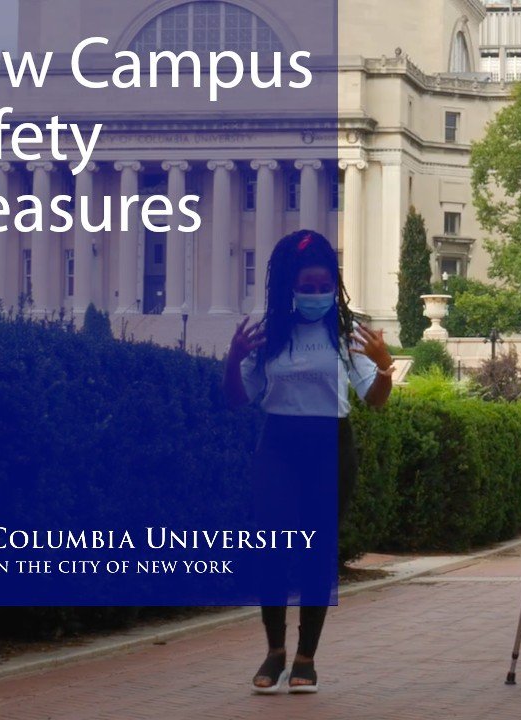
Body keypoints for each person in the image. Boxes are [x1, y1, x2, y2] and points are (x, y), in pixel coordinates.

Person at [223, 230, 394, 695]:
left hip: (329, 446)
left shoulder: (344, 334)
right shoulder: (270, 332)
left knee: (318, 553)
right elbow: (238, 397)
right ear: (290, 288)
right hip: (278, 444)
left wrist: (384, 367)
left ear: (334, 287)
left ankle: (306, 657)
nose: (317, 295)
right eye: (308, 286)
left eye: (324, 287)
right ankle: (275, 649)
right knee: (273, 549)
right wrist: (234, 357)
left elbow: (375, 400)